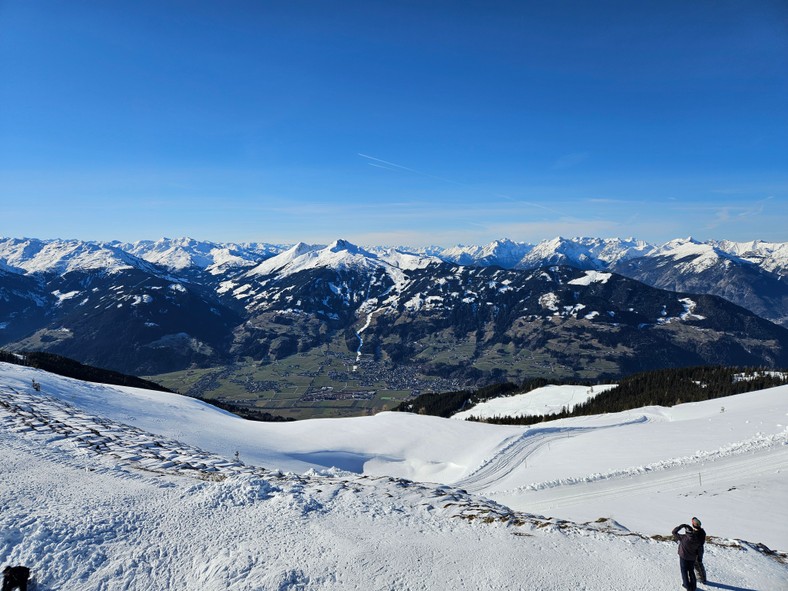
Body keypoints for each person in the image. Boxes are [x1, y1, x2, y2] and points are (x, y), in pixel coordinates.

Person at [672, 517, 706, 590]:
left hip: (683, 557)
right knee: (691, 571)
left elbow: (674, 532)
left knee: (684, 572)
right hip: (692, 557)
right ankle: (693, 587)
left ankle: (687, 586)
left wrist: (681, 526)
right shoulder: (699, 538)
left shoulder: (683, 538)